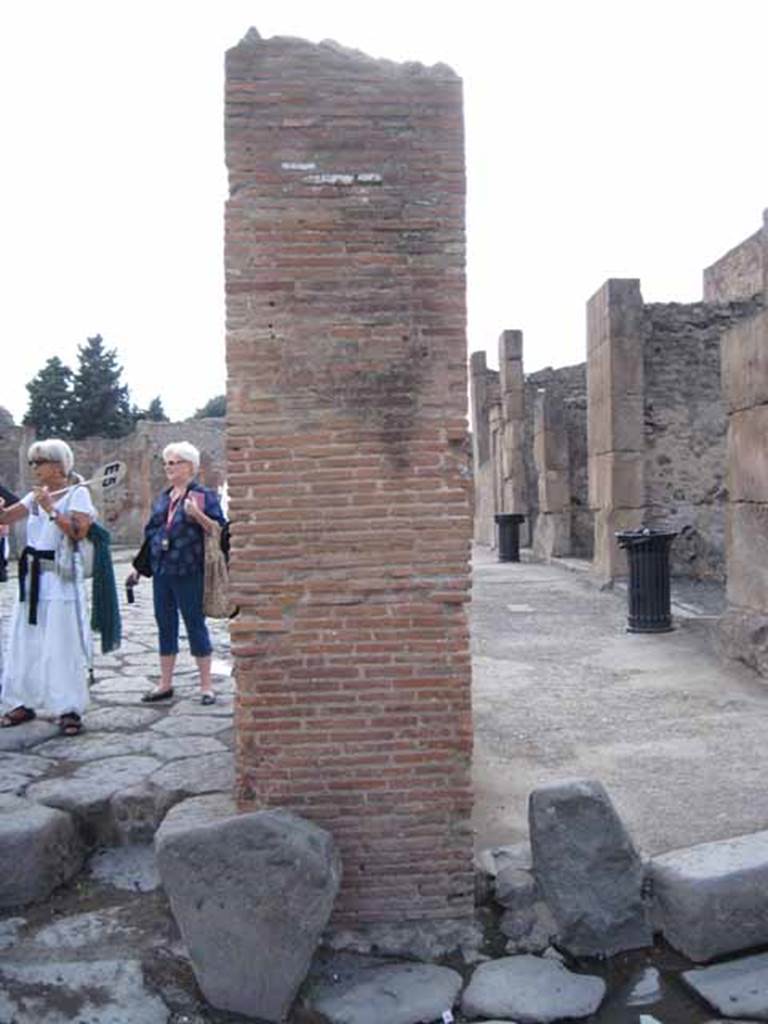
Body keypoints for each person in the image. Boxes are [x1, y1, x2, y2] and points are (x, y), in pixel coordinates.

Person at [0, 439, 96, 735]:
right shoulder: (35, 496)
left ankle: (68, 708)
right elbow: (7, 517)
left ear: (57, 466)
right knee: (26, 639)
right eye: (32, 463)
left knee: (62, 642)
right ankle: (23, 701)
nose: (34, 469)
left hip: (60, 577)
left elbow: (79, 533)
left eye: (38, 463)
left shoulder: (77, 494)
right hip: (32, 577)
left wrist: (52, 510)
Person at [127, 441, 225, 705]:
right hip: (162, 571)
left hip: (189, 570)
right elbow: (152, 534)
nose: (169, 467)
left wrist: (198, 516)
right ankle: (165, 683)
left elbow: (220, 530)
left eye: (175, 462)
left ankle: (206, 687)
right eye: (166, 463)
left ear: (190, 467)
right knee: (165, 625)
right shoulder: (164, 497)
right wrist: (138, 567)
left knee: (195, 624)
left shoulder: (203, 496)